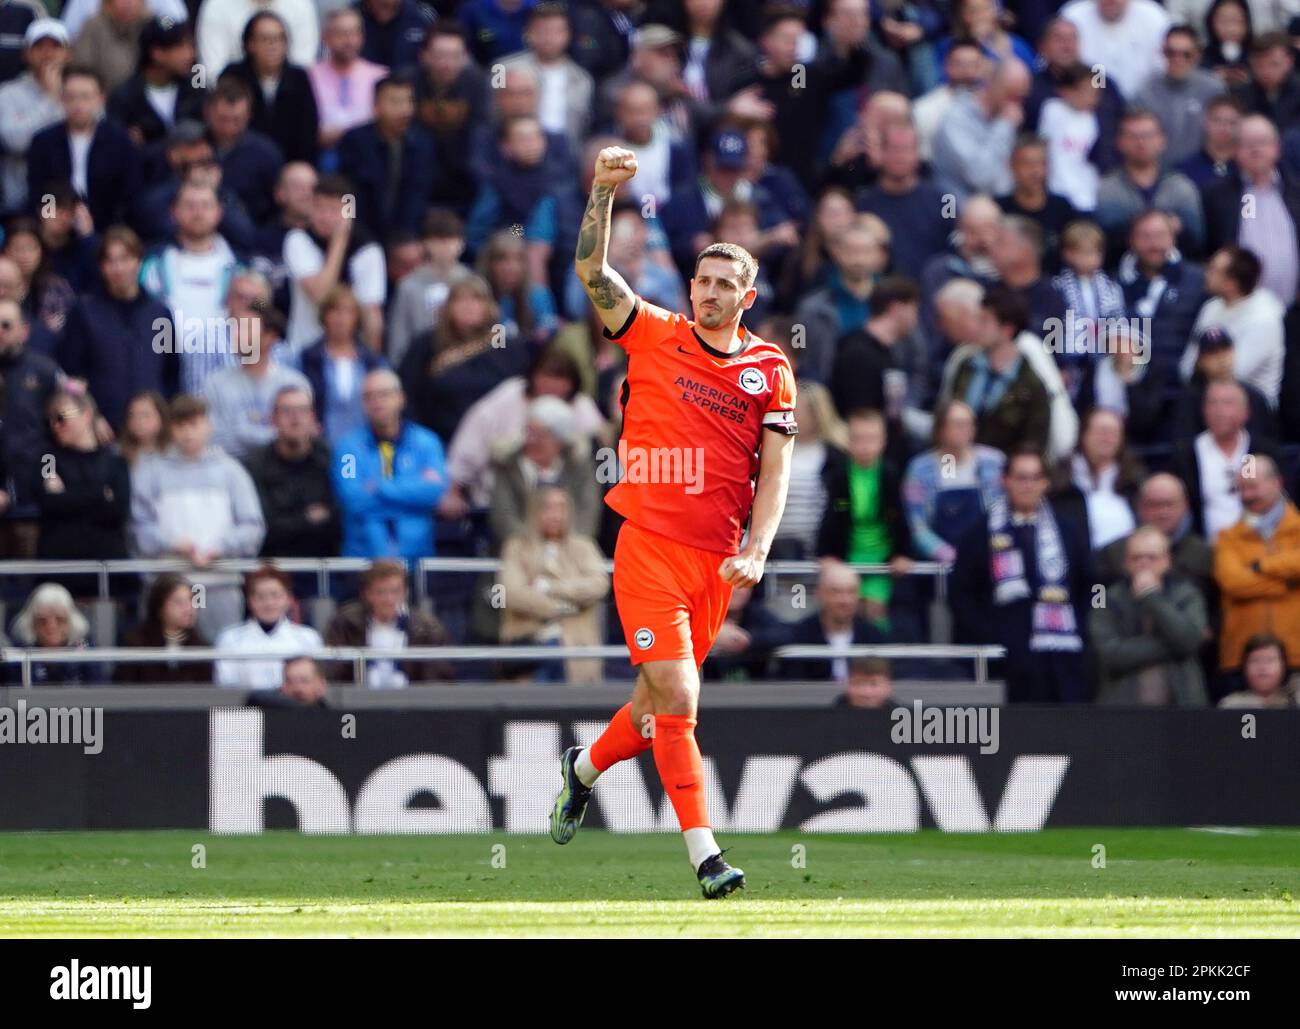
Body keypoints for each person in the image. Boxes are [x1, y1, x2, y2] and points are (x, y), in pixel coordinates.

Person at [550, 144, 798, 898]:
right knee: (681, 699)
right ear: (690, 284)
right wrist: (601, 190)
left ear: (747, 297)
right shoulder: (654, 331)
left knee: (656, 703)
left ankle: (584, 766)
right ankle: (707, 856)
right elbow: (592, 271)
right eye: (704, 280)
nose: (712, 293)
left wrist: (758, 548)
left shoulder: (770, 370)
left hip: (715, 559)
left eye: (728, 284)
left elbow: (776, 469)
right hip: (648, 545)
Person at [951, 445, 1093, 703]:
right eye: (1021, 477)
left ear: (1045, 483)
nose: (1028, 485)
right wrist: (993, 638)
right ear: (1005, 480)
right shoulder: (979, 534)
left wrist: (1089, 624)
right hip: (1007, 664)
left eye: (1035, 478)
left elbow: (1095, 588)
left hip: (1064, 661)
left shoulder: (1069, 532)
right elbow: (961, 597)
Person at [129, 394, 266, 639]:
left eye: (194, 424)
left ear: (208, 426)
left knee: (221, 659)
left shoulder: (231, 471)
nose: (187, 433)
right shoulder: (150, 471)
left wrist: (219, 548)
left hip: (220, 585)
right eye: (180, 425)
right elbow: (139, 527)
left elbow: (252, 526)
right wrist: (173, 543)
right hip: (166, 589)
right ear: (170, 428)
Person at [58, 227, 176, 432]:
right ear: (101, 267)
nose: (118, 268)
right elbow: (73, 374)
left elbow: (170, 372)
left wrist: (166, 418)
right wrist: (92, 417)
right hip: (103, 427)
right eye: (110, 261)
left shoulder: (159, 312)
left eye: (125, 259)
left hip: (152, 429)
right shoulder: (83, 311)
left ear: (138, 261)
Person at [331, 367, 448, 563]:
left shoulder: (428, 443)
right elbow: (351, 498)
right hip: (363, 561)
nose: (377, 402)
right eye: (369, 397)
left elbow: (433, 492)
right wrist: (412, 498)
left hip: (417, 560)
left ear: (401, 398)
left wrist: (378, 487)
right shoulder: (347, 450)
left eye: (384, 395)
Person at [497, 485, 611, 684]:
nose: (555, 515)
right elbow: (511, 592)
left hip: (575, 648)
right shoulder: (516, 547)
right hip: (531, 647)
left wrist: (550, 588)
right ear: (535, 512)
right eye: (548, 508)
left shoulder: (584, 546)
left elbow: (599, 584)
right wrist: (561, 607)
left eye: (561, 508)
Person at [139, 181, 241, 394]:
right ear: (174, 212)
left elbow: (261, 306)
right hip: (168, 368)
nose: (198, 213)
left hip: (227, 370)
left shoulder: (239, 267)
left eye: (205, 206)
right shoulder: (153, 266)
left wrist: (256, 301)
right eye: (190, 206)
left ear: (218, 212)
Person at [1091, 526, 1210, 706]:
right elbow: (1109, 654)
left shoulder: (1187, 593)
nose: (1143, 563)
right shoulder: (1105, 597)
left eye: (1152, 557)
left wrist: (1152, 597)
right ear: (1125, 562)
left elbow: (1189, 642)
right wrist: (1173, 646)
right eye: (1136, 557)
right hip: (1122, 711)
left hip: (1182, 709)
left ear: (1167, 560)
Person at [816, 409, 912, 628]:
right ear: (848, 441)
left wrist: (902, 554)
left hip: (880, 556)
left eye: (871, 439)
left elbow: (900, 518)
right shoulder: (839, 475)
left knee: (875, 610)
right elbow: (832, 516)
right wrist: (826, 553)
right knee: (848, 608)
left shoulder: (890, 474)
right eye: (858, 439)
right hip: (848, 553)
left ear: (883, 441)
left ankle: (874, 657)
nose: (865, 445)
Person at [938, 286, 1053, 457]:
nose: (977, 327)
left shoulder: (1031, 386)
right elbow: (944, 419)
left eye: (984, 321)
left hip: (1002, 475)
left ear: (1007, 329)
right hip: (955, 464)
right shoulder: (966, 367)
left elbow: (1034, 445)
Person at [26, 63, 141, 232]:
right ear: (62, 99)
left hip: (107, 228)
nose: (78, 105)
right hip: (56, 227)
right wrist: (51, 219)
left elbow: (128, 195)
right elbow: (40, 190)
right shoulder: (44, 141)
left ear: (101, 99)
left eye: (86, 97)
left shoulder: (120, 141)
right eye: (71, 97)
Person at [1213, 453, 1300, 673]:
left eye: (1252, 486)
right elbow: (1233, 583)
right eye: (1241, 489)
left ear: (1276, 483)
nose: (1246, 495)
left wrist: (1260, 567)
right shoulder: (1227, 537)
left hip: (1296, 656)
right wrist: (1287, 584)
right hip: (1242, 661)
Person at [283, 173, 387, 353]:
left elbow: (371, 313)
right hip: (305, 348)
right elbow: (320, 295)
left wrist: (372, 361)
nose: (325, 217)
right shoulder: (298, 239)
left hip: (352, 351)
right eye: (319, 208)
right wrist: (339, 243)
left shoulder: (367, 250)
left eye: (333, 210)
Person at [203, 290, 312, 459]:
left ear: (269, 336)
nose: (237, 335)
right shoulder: (216, 383)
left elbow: (302, 436)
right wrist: (276, 437)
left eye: (246, 328)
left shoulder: (295, 384)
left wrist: (241, 433)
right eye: (235, 328)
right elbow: (215, 440)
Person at [489, 394, 600, 550]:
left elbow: (587, 514)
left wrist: (566, 549)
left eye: (540, 435)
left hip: (571, 556)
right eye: (529, 432)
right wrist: (531, 547)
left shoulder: (579, 467)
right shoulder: (508, 466)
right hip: (519, 554)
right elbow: (504, 515)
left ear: (559, 440)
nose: (532, 440)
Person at [902, 399, 1006, 563]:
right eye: (958, 424)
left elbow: (1003, 515)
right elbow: (917, 527)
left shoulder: (993, 462)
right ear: (941, 429)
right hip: (941, 566)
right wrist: (950, 557)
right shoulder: (921, 469)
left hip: (985, 560)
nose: (965, 430)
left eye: (969, 424)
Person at [242, 384, 339, 559]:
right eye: (287, 411)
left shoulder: (334, 459)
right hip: (272, 565)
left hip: (326, 561)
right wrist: (307, 519)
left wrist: (291, 522)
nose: (295, 418)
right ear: (273, 419)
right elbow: (263, 527)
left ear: (313, 418)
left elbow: (339, 516)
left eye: (302, 410)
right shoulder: (255, 465)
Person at [1180, 245, 1285, 408]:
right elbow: (1187, 366)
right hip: (1205, 400)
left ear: (1231, 284)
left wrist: (1203, 366)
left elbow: (1233, 375)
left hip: (1251, 409)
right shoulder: (1211, 307)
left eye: (1213, 270)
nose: (1206, 273)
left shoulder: (1264, 318)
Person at [35, 387, 131, 563]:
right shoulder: (47, 459)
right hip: (61, 566)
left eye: (61, 417)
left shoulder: (115, 461)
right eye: (50, 420)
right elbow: (48, 503)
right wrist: (100, 495)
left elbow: (118, 511)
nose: (55, 425)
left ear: (86, 414)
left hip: (106, 565)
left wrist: (67, 496)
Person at [324, 559, 452, 687]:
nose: (389, 599)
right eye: (381, 592)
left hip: (413, 701)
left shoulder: (427, 628)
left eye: (395, 592)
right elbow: (334, 672)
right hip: (357, 701)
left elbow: (438, 677)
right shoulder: (345, 623)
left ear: (405, 592)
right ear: (366, 594)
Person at [0, 298, 61, 559]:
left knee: (30, 587)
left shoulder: (45, 372)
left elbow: (61, 431)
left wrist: (48, 475)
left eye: (6, 325)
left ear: (24, 330)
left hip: (33, 502)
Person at [218, 10, 319, 166]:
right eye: (266, 39)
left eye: (279, 39)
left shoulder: (299, 78)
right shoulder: (233, 75)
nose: (273, 46)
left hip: (290, 164)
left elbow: (308, 131)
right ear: (249, 44)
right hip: (241, 162)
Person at [1094, 473, 1216, 602]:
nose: (1162, 513)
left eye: (1169, 504)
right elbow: (1096, 593)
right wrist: (1100, 616)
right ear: (1139, 507)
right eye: (1154, 505)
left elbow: (1215, 606)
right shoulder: (1113, 553)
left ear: (1185, 506)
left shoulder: (1203, 553)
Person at [296, 284, 390, 445]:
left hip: (366, 444)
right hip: (320, 444)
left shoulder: (372, 361)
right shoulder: (308, 359)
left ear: (357, 318)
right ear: (324, 315)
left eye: (348, 312)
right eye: (335, 311)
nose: (341, 318)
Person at [931, 57, 1031, 199]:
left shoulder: (1008, 117)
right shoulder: (956, 120)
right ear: (992, 84)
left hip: (999, 205)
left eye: (1021, 98)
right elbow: (980, 177)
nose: (1016, 105)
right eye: (1011, 96)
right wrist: (1005, 127)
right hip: (952, 205)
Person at [213, 564, 323, 690]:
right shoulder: (229, 638)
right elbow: (225, 685)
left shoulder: (308, 637)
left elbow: (315, 687)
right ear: (250, 601)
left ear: (288, 599)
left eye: (275, 595)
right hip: (247, 707)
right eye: (260, 597)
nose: (269, 603)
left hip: (295, 708)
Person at [774, 560, 888, 682]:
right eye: (836, 592)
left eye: (851, 592)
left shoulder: (873, 636)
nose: (844, 600)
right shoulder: (800, 636)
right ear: (819, 594)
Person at [1049, 407, 1144, 551]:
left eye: (1113, 433)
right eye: (1101, 432)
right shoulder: (1061, 479)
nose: (1106, 439)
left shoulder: (1134, 480)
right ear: (1084, 435)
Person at [1135, 26, 1227, 168]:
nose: (1178, 59)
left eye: (1186, 54)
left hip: (1203, 170)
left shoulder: (1213, 89)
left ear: (1198, 55)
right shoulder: (1147, 90)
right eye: (1170, 53)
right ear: (1162, 53)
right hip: (1159, 172)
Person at [115, 572, 212, 685]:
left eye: (191, 600)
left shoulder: (201, 647)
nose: (189, 609)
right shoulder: (136, 644)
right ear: (159, 607)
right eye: (179, 602)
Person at [1061, 0, 1171, 97]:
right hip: (1089, 105)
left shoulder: (1153, 16)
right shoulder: (1073, 15)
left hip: (1144, 106)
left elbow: (1163, 68)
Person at [7, 581, 94, 686]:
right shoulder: (19, 657)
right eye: (42, 620)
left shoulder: (87, 654)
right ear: (32, 625)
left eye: (60, 619)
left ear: (71, 623)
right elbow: (17, 699)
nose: (51, 627)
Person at [1218, 632, 1300, 707]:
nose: (1262, 667)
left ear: (1283, 665)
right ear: (1244, 667)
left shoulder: (1296, 702)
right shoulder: (1231, 705)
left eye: (1270, 660)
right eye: (1255, 660)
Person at [248, 653, 330, 707]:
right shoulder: (264, 717)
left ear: (321, 685)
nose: (298, 689)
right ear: (282, 686)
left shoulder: (335, 720)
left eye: (305, 681)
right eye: (290, 682)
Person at [835, 655, 900, 709]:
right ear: (847, 684)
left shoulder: (903, 720)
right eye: (858, 683)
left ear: (888, 686)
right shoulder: (829, 716)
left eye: (874, 684)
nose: (866, 692)